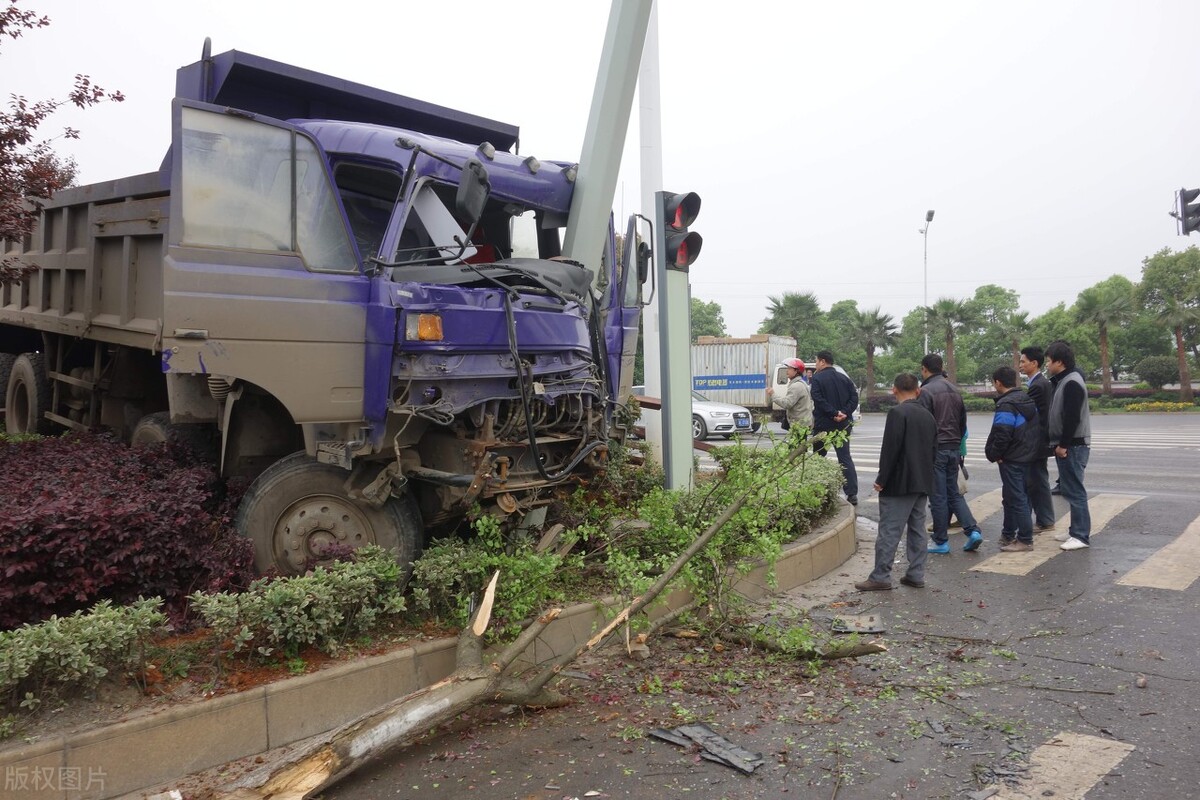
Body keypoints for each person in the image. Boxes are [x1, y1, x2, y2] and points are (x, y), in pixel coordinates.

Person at [855, 373, 938, 591]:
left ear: (894, 390)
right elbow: (933, 450)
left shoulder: (897, 413)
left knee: (890, 530)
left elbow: (890, 450)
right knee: (918, 529)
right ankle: (916, 574)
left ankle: (881, 576)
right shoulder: (928, 415)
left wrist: (882, 479)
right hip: (922, 482)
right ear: (918, 391)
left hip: (899, 482)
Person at [917, 354, 984, 553]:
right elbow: (963, 423)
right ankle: (973, 531)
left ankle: (940, 542)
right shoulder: (955, 390)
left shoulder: (925, 392)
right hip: (954, 447)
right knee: (954, 494)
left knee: (938, 496)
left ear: (924, 369)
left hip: (936, 449)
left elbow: (922, 424)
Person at [985, 366, 1041, 552]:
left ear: (998, 383)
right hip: (1027, 456)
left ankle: (1024, 539)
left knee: (1017, 499)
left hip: (1012, 459)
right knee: (1013, 497)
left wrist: (995, 454)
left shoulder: (1006, 404)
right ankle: (1008, 533)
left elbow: (1002, 434)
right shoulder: (1027, 399)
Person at [1045, 341, 1092, 550]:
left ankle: (1081, 535)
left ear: (1060, 362)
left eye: (1048, 361)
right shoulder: (1065, 380)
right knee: (1071, 489)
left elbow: (1072, 418)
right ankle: (1075, 530)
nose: (1047, 365)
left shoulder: (1072, 382)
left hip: (1073, 445)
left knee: (1075, 490)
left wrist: (1063, 445)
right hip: (1068, 445)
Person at [809, 350, 860, 505]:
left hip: (824, 424)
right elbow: (854, 397)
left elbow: (818, 399)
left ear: (823, 362)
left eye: (816, 361)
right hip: (843, 424)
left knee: (818, 457)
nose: (816, 365)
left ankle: (816, 490)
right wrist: (844, 413)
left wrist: (833, 413)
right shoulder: (844, 378)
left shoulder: (817, 379)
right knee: (844, 457)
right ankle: (852, 494)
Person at [1018, 346, 1056, 531]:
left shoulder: (1038, 385)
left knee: (1037, 482)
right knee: (1038, 480)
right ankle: (1045, 519)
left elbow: (1026, 410)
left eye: (1023, 361)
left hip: (1037, 441)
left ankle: (1045, 520)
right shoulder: (1039, 383)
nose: (1020, 365)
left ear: (1034, 363)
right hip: (1039, 440)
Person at [766, 358, 813, 432]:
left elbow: (786, 403)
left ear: (796, 371)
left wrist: (773, 394)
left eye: (789, 368)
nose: (787, 371)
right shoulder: (802, 383)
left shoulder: (796, 386)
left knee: (797, 443)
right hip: (803, 424)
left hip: (799, 425)